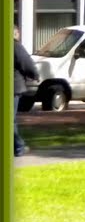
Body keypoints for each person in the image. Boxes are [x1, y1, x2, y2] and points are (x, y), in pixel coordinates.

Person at [14, 27, 39, 158]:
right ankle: (19, 147)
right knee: (10, 120)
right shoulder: (15, 46)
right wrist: (35, 75)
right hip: (13, 87)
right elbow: (26, 63)